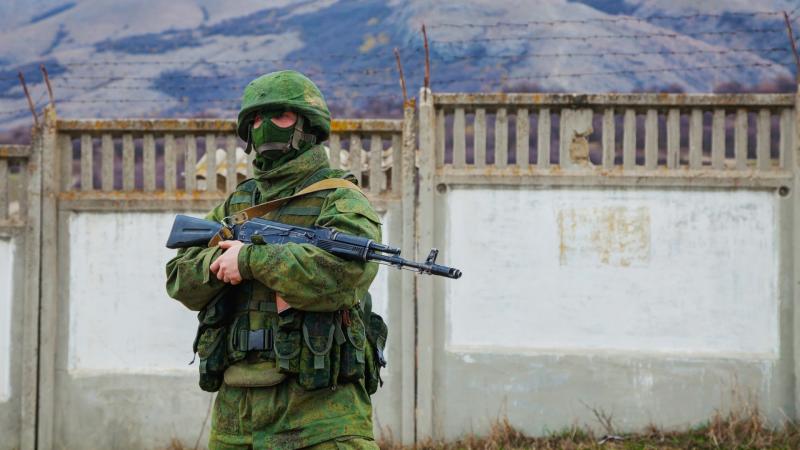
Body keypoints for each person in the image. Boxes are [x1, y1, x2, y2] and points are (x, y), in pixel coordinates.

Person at [166, 70, 383, 450]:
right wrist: (219, 267)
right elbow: (179, 279)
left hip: (321, 417)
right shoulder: (238, 204)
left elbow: (344, 273)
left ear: (308, 125)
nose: (264, 126)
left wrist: (251, 261)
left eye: (279, 115)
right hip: (237, 418)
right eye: (255, 119)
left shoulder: (341, 200)